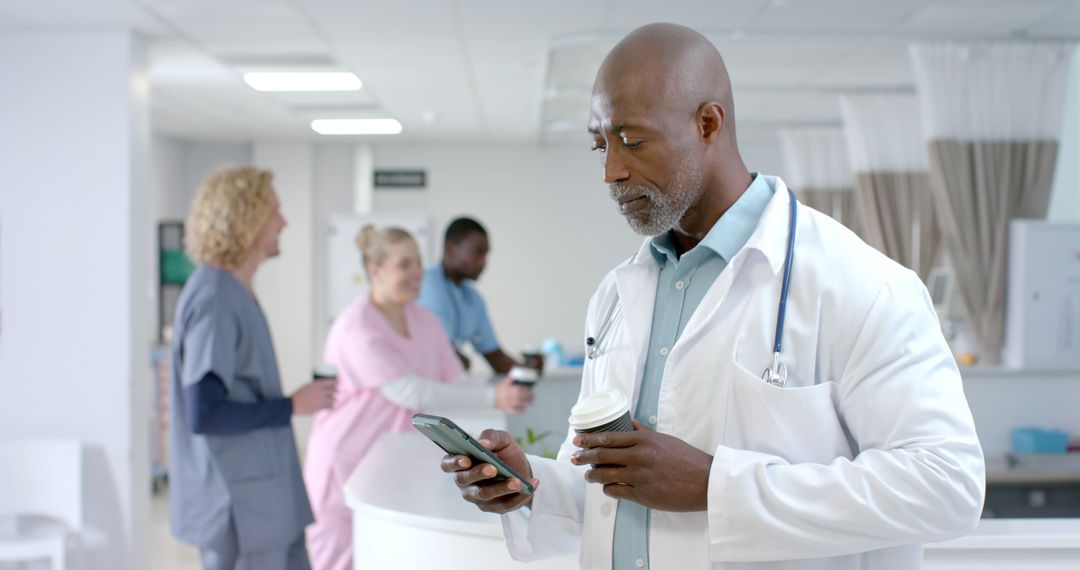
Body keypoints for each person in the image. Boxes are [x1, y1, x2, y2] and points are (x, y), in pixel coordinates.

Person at [440, 23, 984, 569]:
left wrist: (715, 487)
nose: (611, 171)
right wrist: (535, 485)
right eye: (599, 144)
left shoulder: (862, 284)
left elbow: (947, 484)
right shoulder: (616, 294)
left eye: (631, 140)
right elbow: (615, 488)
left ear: (708, 123)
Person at [304, 225, 534, 570]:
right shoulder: (356, 327)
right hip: (344, 466)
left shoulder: (424, 320)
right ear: (375, 270)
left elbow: (456, 381)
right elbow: (409, 391)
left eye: (418, 263)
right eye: (404, 264)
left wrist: (504, 394)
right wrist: (493, 397)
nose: (417, 273)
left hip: (392, 467)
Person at [169, 166, 337, 570]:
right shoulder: (215, 298)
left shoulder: (234, 291)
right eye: (275, 212)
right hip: (239, 502)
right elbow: (204, 412)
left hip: (262, 495)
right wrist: (291, 405)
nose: (284, 222)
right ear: (246, 219)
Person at [419, 217, 541, 374]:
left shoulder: (473, 299)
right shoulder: (427, 283)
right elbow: (440, 351)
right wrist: (457, 360)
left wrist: (527, 369)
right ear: (450, 249)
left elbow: (495, 357)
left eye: (486, 255)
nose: (484, 262)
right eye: (478, 253)